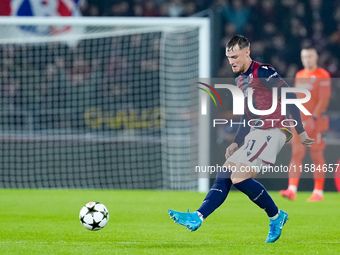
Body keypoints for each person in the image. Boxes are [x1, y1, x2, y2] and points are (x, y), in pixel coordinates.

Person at [168, 35, 314, 243]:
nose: (232, 61)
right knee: (226, 172)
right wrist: (237, 140)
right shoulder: (240, 80)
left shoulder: (263, 71)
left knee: (239, 177)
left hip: (275, 129)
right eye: (229, 58)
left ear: (247, 52)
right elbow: (248, 113)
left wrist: (300, 130)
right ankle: (197, 216)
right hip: (257, 131)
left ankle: (276, 216)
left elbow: (289, 95)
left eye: (235, 56)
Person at [280, 46, 331, 201]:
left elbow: (324, 99)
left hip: (316, 123)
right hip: (300, 123)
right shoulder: (300, 74)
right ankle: (292, 189)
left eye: (309, 56)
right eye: (304, 57)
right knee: (296, 154)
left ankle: (318, 192)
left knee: (316, 155)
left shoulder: (323, 75)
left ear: (315, 58)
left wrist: (313, 118)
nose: (307, 60)